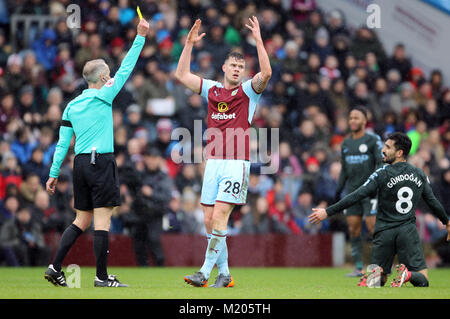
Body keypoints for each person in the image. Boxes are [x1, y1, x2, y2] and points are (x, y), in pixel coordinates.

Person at [43, 18, 149, 288]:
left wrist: (53, 173)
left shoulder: (71, 106)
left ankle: (55, 267)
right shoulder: (105, 95)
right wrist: (140, 37)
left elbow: (61, 143)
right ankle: (102, 277)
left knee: (82, 218)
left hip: (79, 164)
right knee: (102, 220)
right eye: (108, 73)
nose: (112, 76)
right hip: (100, 160)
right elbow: (127, 67)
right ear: (103, 77)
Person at [175, 17, 271, 288]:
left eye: (242, 67)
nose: (238, 70)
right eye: (234, 66)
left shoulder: (249, 91)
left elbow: (267, 74)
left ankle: (204, 273)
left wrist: (259, 41)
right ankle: (225, 273)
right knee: (208, 219)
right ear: (224, 67)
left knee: (219, 216)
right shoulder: (212, 89)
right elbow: (181, 75)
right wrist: (188, 44)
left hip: (235, 163)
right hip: (214, 162)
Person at [309, 132, 450, 287]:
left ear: (399, 153)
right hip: (407, 232)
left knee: (376, 282)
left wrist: (327, 212)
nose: (383, 150)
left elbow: (356, 195)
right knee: (423, 279)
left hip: (384, 233)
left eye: (388, 147)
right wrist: (446, 221)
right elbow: (432, 202)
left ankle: (375, 276)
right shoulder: (419, 173)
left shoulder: (382, 173)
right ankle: (407, 274)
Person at [334, 106, 383, 277]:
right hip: (352, 193)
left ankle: (380, 267)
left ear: (364, 120)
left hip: (369, 192)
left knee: (373, 228)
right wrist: (338, 191)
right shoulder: (346, 143)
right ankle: (359, 268)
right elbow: (344, 171)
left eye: (356, 118)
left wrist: (376, 184)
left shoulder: (373, 140)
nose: (353, 121)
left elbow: (381, 163)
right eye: (351, 118)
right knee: (353, 229)